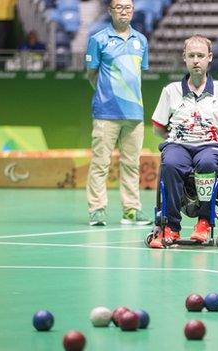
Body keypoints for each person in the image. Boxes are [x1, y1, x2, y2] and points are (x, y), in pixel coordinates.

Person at [148, 35, 218, 249]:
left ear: (209, 58)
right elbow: (158, 127)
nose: (196, 60)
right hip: (179, 144)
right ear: (184, 58)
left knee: (207, 164)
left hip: (211, 146)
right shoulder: (171, 91)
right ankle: (171, 227)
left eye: (200, 56)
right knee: (171, 163)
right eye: (191, 55)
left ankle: (204, 221)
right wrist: (174, 140)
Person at [84, 0, 151, 226]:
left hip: (134, 113)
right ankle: (97, 209)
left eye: (128, 7)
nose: (124, 11)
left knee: (132, 164)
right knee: (100, 163)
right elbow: (92, 74)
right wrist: (109, 94)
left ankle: (131, 210)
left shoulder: (141, 41)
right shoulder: (98, 39)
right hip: (106, 113)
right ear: (110, 10)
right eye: (119, 7)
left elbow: (137, 76)